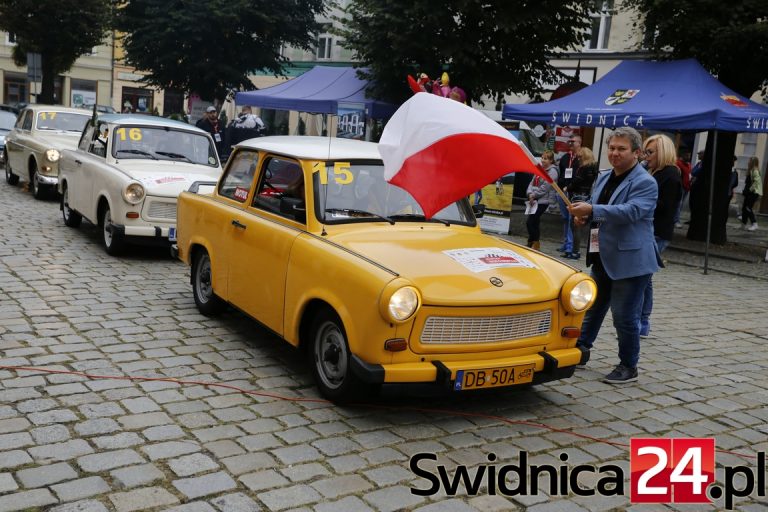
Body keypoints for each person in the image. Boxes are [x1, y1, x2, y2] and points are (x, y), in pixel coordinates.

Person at [568, 127, 662, 384]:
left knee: (624, 316)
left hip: (631, 261)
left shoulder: (645, 182)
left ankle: (628, 366)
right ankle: (581, 350)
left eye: (621, 149)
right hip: (602, 255)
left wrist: (593, 208)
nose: (615, 153)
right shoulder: (604, 176)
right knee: (593, 308)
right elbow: (600, 212)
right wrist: (585, 217)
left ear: (637, 152)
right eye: (612, 148)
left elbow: (631, 212)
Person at [638, 134, 682, 339]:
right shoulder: (653, 171)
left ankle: (643, 320)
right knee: (643, 277)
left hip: (657, 232)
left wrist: (643, 200)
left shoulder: (671, 174)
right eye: (645, 151)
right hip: (648, 229)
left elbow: (667, 207)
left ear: (662, 152)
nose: (646, 156)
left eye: (650, 151)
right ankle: (641, 319)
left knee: (643, 277)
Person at [563, 147, 598, 259]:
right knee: (577, 225)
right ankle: (575, 250)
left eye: (580, 156)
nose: (578, 159)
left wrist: (567, 187)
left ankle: (575, 251)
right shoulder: (594, 168)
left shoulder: (584, 168)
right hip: (586, 196)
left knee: (575, 225)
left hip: (578, 196)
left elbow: (577, 181)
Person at [525, 150, 559, 251]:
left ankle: (535, 242)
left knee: (530, 222)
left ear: (551, 160)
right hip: (534, 199)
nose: (543, 160)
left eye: (546, 159)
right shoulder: (539, 169)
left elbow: (545, 187)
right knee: (534, 221)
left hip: (543, 200)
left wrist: (534, 195)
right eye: (542, 158)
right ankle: (532, 242)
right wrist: (530, 193)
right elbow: (531, 183)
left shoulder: (552, 171)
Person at [557, 135, 580, 254]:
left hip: (573, 193)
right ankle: (565, 243)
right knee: (565, 219)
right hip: (562, 191)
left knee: (571, 219)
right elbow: (561, 172)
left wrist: (570, 187)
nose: (570, 144)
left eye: (573, 141)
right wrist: (560, 188)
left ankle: (570, 247)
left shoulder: (581, 158)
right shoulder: (565, 157)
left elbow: (580, 177)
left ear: (579, 143)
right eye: (569, 141)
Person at [740, 156, 763, 231]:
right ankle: (743, 225)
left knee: (748, 208)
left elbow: (757, 182)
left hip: (753, 192)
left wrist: (750, 190)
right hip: (749, 192)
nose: (748, 162)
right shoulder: (750, 170)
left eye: (749, 161)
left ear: (752, 162)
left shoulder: (755, 170)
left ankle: (755, 224)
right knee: (744, 208)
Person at [674, 149, 691, 228]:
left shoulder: (688, 164)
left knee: (680, 205)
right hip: (680, 187)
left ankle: (676, 219)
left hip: (686, 187)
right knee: (678, 204)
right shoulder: (678, 163)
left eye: (689, 155)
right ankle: (676, 221)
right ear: (682, 155)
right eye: (687, 155)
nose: (689, 157)